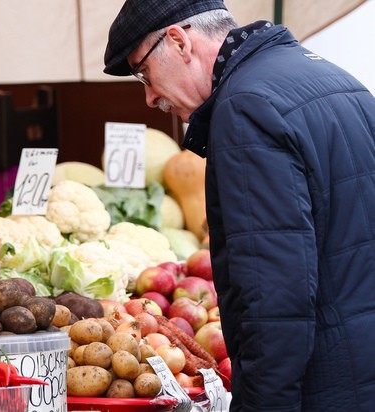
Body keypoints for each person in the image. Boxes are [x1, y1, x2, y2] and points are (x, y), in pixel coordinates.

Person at [104, 0, 375, 411]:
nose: (149, 96)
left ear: (178, 41)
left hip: (325, 385)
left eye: (144, 73)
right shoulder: (335, 78)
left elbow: (274, 299)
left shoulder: (245, 107)